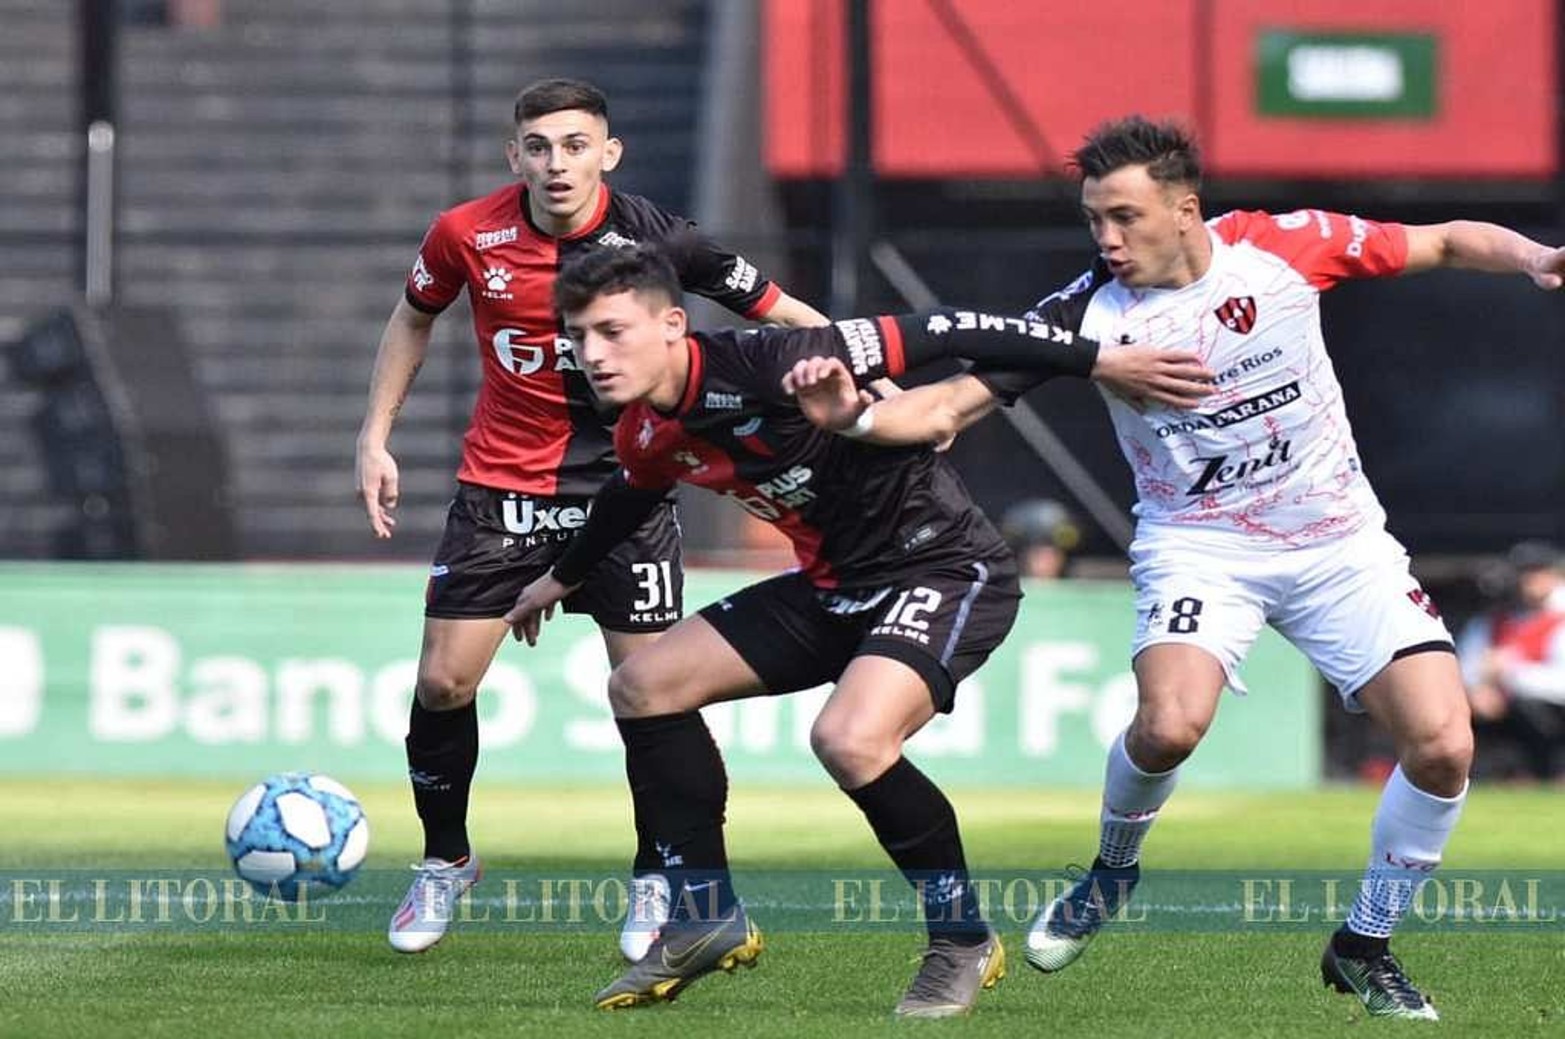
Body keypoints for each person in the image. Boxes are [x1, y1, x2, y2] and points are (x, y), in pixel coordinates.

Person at [786, 116, 1565, 1021]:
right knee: (1168, 724)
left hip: (1339, 544)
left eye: (1124, 216)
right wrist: (850, 417)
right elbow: (942, 409)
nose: (1106, 238)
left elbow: (1442, 240)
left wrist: (1535, 257)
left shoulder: (1281, 247)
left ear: (1185, 210)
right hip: (1200, 547)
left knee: (1444, 744)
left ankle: (1363, 944)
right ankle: (1110, 870)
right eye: (1093, 219)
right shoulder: (1083, 313)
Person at [501, 241, 1213, 1014]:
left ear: (672, 324)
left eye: (612, 331)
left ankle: (961, 939)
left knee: (849, 739)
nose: (592, 354)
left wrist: (1098, 361)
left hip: (942, 567)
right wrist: (560, 577)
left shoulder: (772, 360)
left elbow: (948, 328)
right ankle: (704, 913)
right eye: (578, 336)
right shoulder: (645, 430)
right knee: (641, 685)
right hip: (832, 588)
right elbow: (629, 496)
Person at [354, 77, 831, 959]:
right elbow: (412, 318)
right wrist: (374, 436)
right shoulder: (465, 233)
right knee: (443, 683)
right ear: (515, 156)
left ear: (607, 153)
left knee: (650, 690)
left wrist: (856, 372)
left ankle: (656, 873)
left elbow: (776, 311)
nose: (556, 163)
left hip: (628, 488)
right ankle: (445, 860)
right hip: (502, 486)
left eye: (575, 145)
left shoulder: (660, 239)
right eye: (538, 146)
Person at [1457, 540, 1565, 781]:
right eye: (1523, 572)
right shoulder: (1495, 620)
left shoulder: (1560, 618)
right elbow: (1466, 665)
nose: (1528, 580)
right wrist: (1477, 690)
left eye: (1536, 571)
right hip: (1499, 709)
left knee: (1529, 710)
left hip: (1549, 715)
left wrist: (1510, 676)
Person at [998, 497, 1081, 579]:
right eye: (1038, 555)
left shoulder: (1081, 584)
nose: (1046, 564)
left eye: (1053, 555)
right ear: (1022, 558)